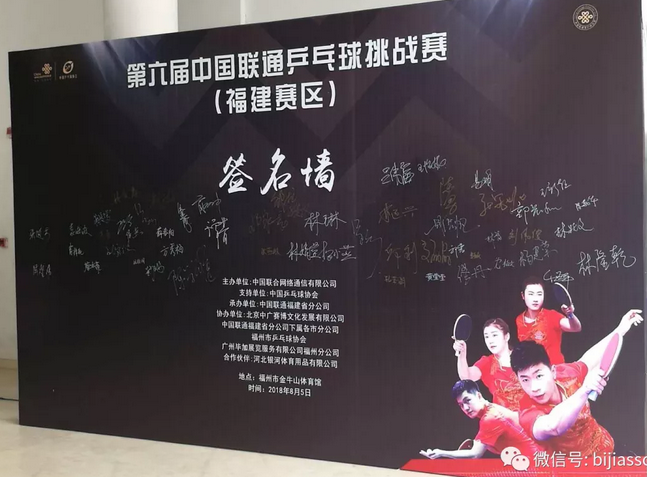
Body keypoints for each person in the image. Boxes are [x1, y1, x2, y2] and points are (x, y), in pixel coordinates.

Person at [511, 309, 643, 456]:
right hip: (576, 464)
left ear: (553, 371)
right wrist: (584, 390)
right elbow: (552, 427)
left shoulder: (566, 374)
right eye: (525, 379)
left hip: (608, 449)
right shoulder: (526, 411)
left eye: (539, 376)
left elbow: (589, 359)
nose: (534, 387)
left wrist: (620, 330)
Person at [420, 380, 543, 459]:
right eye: (461, 405)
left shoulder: (490, 418)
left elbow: (475, 454)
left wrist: (441, 452)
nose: (465, 408)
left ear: (478, 396)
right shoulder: (492, 410)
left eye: (467, 400)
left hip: (534, 466)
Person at [454, 318, 524, 411]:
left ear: (506, 336)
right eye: (487, 337)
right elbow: (466, 377)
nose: (490, 341)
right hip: (504, 417)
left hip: (532, 414)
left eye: (494, 335)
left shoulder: (523, 356)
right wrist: (462, 355)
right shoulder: (487, 363)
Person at [516, 277, 582, 365]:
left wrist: (570, 314)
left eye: (539, 294)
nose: (535, 299)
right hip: (532, 370)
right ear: (523, 296)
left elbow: (576, 328)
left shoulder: (551, 316)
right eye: (531, 294)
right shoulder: (519, 320)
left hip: (555, 369)